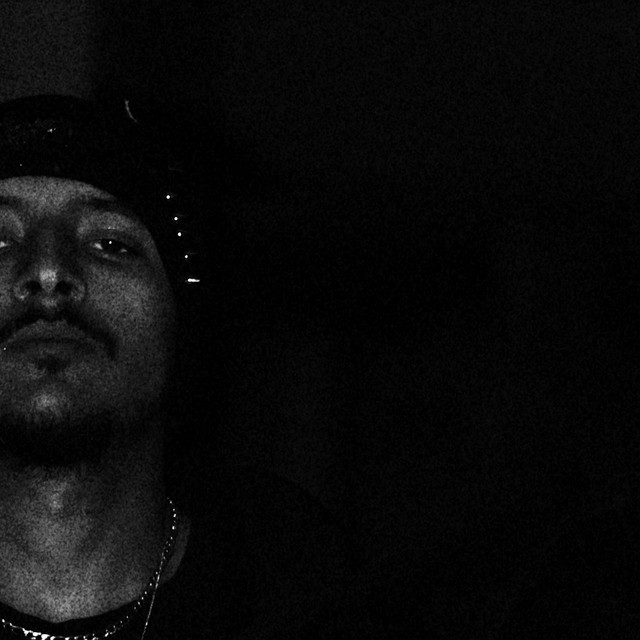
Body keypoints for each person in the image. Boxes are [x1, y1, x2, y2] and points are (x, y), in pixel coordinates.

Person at [0, 94, 380, 639]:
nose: (48, 270)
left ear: (183, 319)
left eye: (111, 243)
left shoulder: (303, 595)